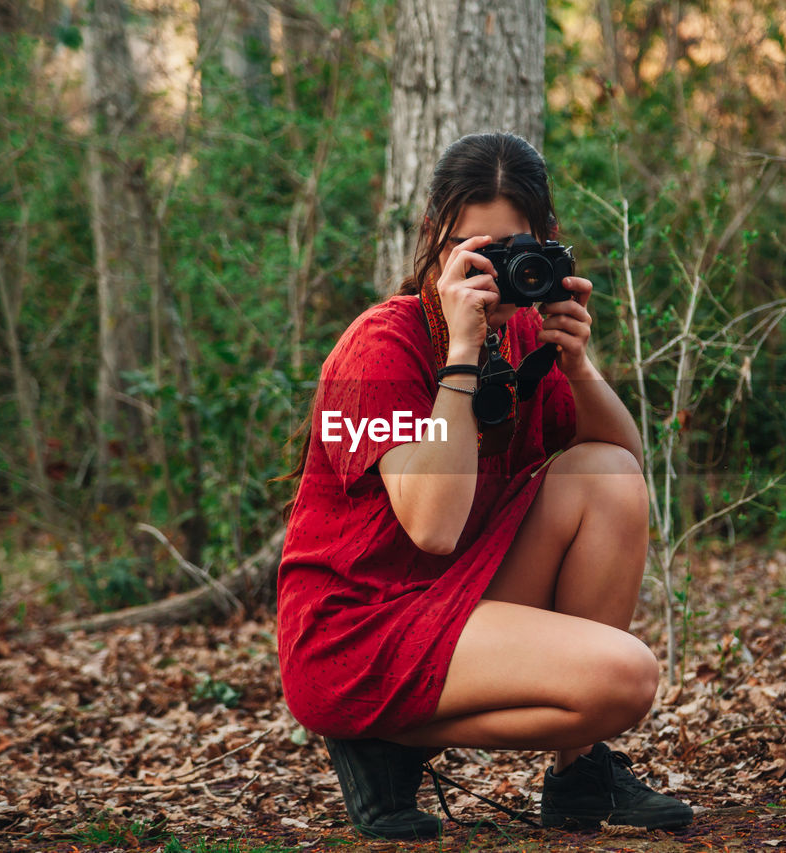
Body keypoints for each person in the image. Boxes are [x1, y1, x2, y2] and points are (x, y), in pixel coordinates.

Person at [276, 132, 692, 839]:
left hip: (451, 596)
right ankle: (380, 740)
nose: (495, 275)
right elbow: (432, 526)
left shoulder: (526, 338)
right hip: (358, 628)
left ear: (547, 244)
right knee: (627, 679)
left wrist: (577, 363)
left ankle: (577, 775)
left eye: (513, 251)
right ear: (436, 237)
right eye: (476, 251)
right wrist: (462, 357)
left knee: (607, 473)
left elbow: (621, 469)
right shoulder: (381, 346)